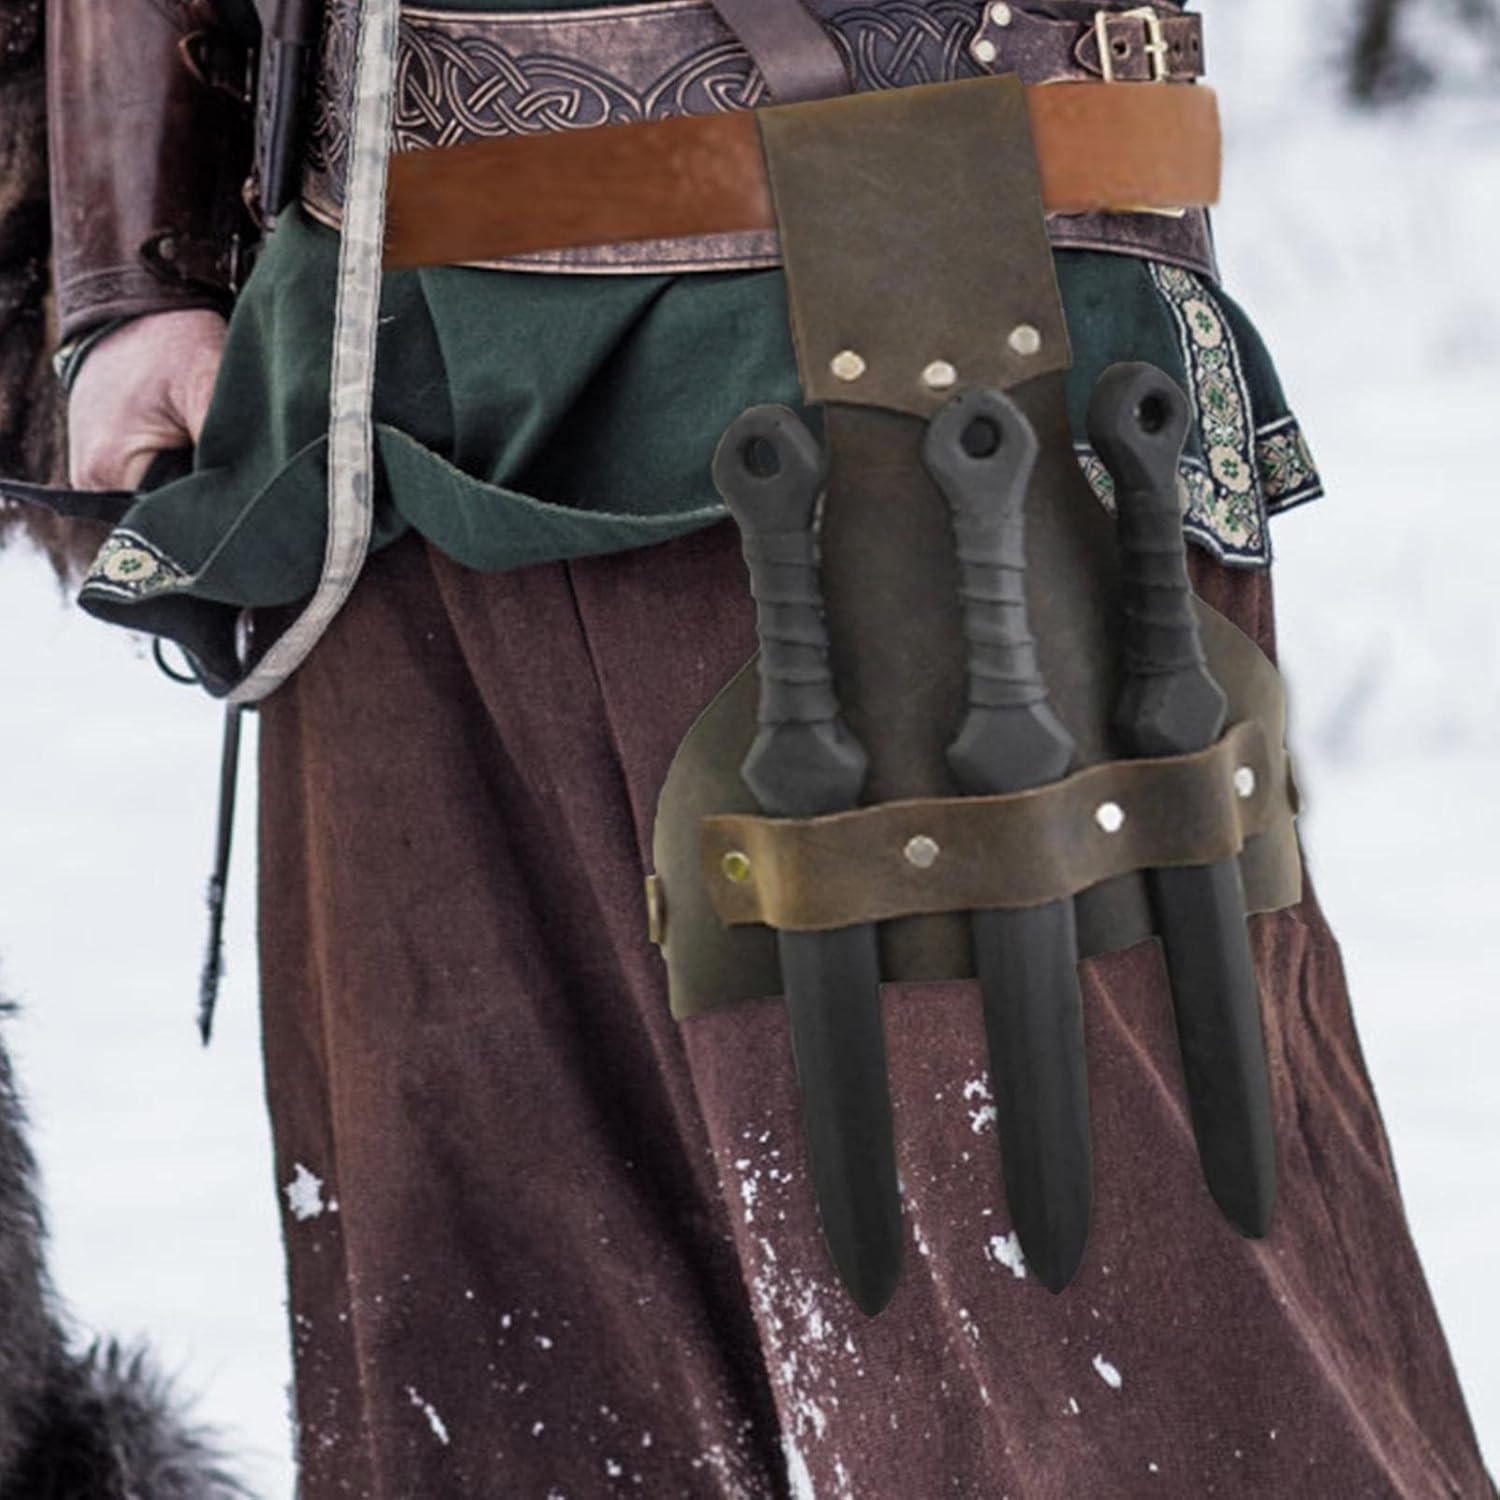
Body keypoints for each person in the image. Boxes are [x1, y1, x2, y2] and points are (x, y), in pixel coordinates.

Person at [38, 0, 1496, 1495]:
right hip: (365, 346)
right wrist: (122, 255)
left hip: (915, 240)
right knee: (494, 1398)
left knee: (1119, 1378)